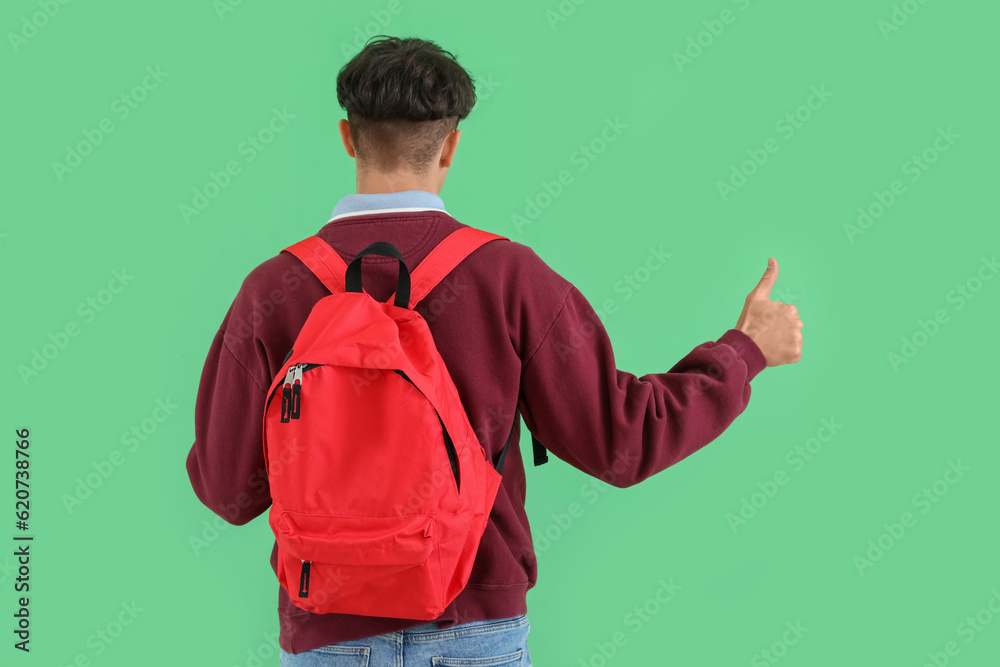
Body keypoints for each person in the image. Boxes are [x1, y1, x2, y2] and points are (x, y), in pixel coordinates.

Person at [185, 35, 804, 665]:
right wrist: (745, 351)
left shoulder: (272, 289)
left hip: (329, 637)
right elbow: (623, 440)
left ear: (347, 136)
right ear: (452, 144)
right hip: (475, 632)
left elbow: (226, 491)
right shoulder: (508, 278)